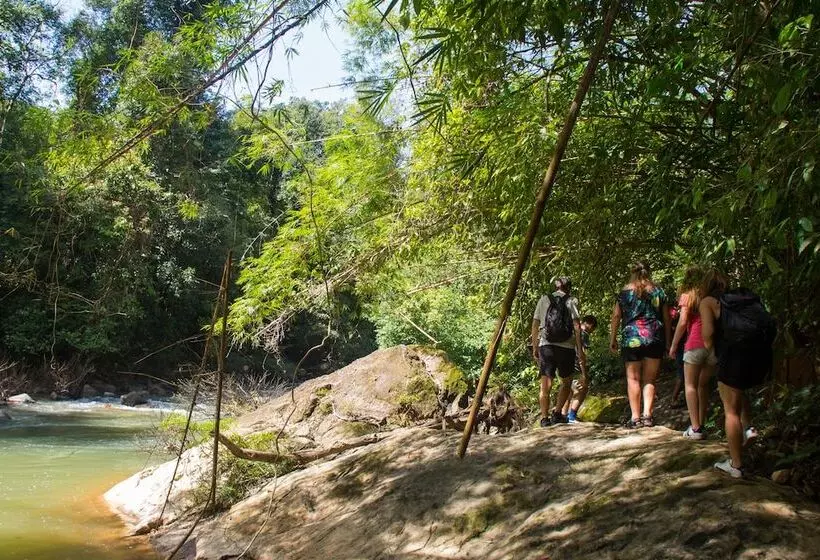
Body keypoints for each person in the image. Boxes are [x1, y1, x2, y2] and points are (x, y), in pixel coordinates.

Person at [700, 270, 773, 478]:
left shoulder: (708, 302)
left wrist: (714, 354)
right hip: (759, 354)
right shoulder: (740, 299)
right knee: (739, 390)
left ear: (706, 285)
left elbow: (707, 336)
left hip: (733, 354)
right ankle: (749, 427)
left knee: (730, 409)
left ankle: (736, 465)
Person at [609, 262, 671, 428]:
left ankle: (635, 418)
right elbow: (666, 318)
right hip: (654, 337)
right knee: (650, 379)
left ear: (632, 273)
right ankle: (647, 416)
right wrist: (668, 341)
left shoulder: (624, 293)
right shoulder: (658, 291)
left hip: (631, 338)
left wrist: (613, 339)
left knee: (633, 379)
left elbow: (616, 316)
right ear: (648, 272)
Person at [531, 276, 587, 427]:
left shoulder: (544, 299)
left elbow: (535, 323)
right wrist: (579, 349)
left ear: (556, 287)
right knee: (567, 382)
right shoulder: (571, 301)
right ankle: (557, 413)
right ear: (568, 287)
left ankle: (544, 418)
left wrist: (535, 345)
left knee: (545, 384)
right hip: (566, 347)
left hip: (546, 345)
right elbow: (576, 326)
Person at [668, 266, 713, 440]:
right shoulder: (710, 297)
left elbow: (683, 321)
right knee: (703, 386)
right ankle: (701, 423)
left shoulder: (687, 296)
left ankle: (695, 428)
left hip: (694, 344)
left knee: (690, 385)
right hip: (711, 346)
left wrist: (673, 344)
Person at [561, 315, 597, 423]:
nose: (592, 331)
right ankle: (571, 416)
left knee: (568, 389)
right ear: (590, 325)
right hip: (576, 366)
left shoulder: (571, 331)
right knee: (582, 389)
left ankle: (563, 415)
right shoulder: (583, 334)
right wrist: (584, 373)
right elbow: (582, 354)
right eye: (593, 329)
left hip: (565, 363)